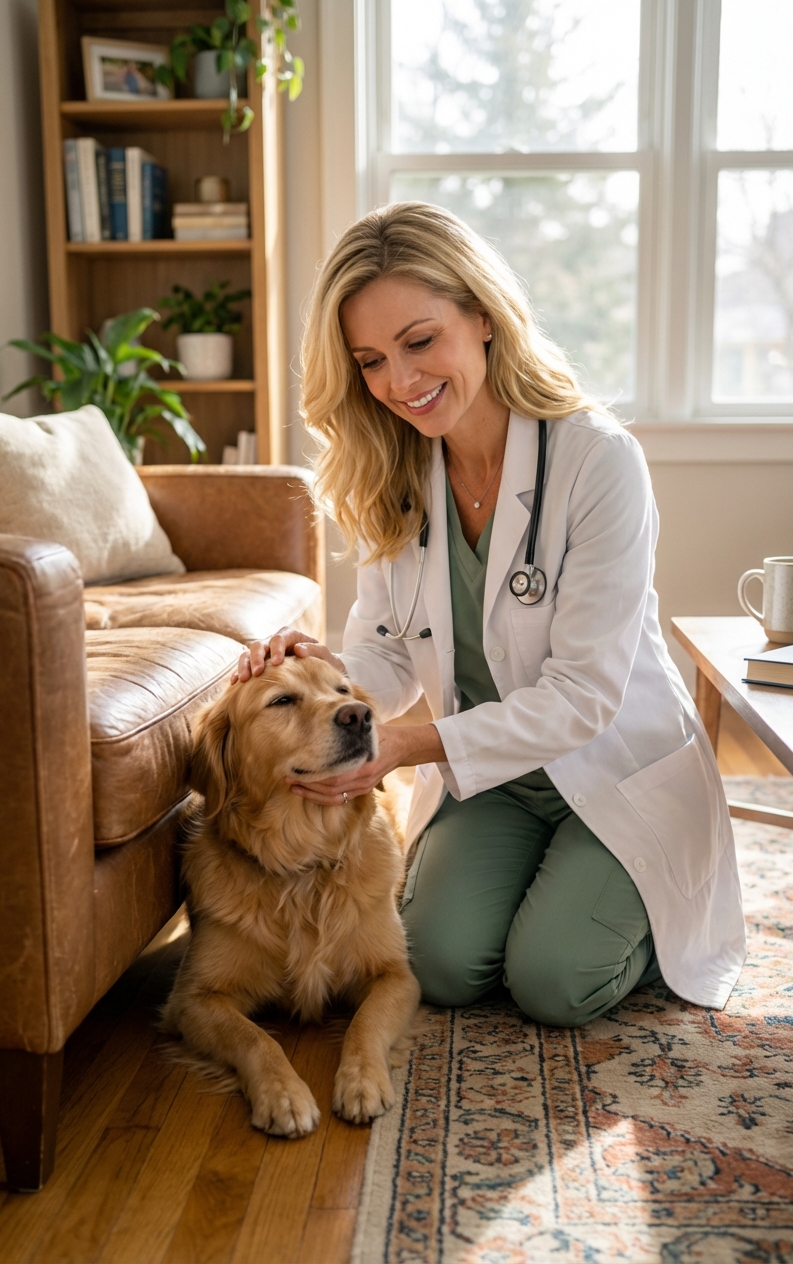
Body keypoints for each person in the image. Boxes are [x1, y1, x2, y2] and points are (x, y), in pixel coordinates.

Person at [234, 202, 746, 1024]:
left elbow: (584, 697)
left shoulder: (596, 459)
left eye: (419, 341)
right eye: (369, 360)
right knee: (435, 962)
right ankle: (547, 877)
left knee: (553, 980)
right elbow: (387, 659)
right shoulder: (389, 470)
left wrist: (404, 746)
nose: (399, 383)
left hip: (615, 765)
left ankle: (648, 908)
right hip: (498, 780)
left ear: (482, 315)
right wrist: (319, 675)